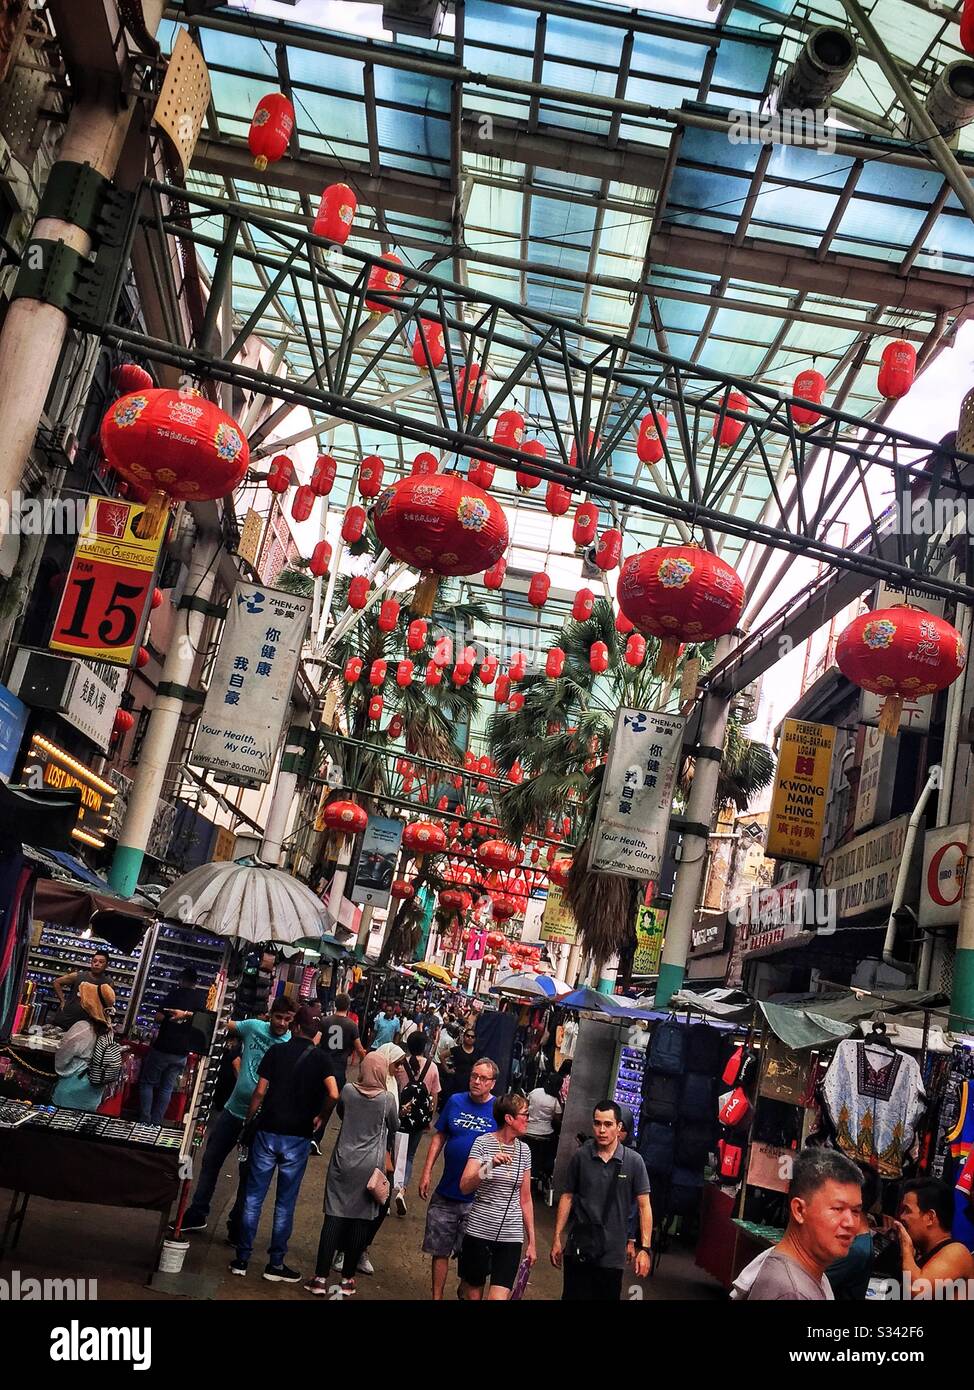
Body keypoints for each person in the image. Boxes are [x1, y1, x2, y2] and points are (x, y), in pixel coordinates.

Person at [230, 1006, 338, 1281]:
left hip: (268, 1130)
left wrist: (249, 1120)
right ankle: (275, 1264)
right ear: (316, 1032)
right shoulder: (323, 1060)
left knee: (254, 1197)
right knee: (284, 1203)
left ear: (295, 1027)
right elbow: (334, 1093)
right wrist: (321, 1117)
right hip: (298, 1136)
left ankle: (242, 1259)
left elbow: (260, 1091)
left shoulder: (276, 1052)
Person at [181, 995, 295, 1235]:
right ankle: (197, 1212)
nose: (282, 1023)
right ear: (270, 1015)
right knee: (211, 1160)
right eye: (279, 1017)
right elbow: (223, 1024)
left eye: (287, 1019)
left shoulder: (289, 1046)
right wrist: (189, 1016)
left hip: (259, 1122)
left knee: (249, 1176)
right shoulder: (254, 1027)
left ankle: (236, 1225)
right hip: (233, 1111)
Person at [305, 1053, 399, 1297]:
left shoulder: (347, 1090)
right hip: (370, 1167)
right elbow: (395, 1125)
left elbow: (343, 1114)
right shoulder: (387, 1100)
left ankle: (319, 1278)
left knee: (334, 1217)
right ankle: (347, 1280)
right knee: (361, 1220)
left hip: (342, 1162)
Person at [551, 1101, 652, 1301]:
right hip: (579, 1247)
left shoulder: (634, 1162)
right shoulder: (581, 1156)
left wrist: (645, 1248)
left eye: (608, 1124)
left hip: (612, 1255)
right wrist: (556, 1237)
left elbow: (644, 1206)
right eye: (597, 1124)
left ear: (619, 1127)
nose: (602, 1130)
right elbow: (567, 1196)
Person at [731, 1148, 863, 1301]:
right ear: (799, 1210)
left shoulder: (808, 1274)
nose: (851, 1223)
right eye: (838, 1208)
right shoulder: (792, 1292)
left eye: (855, 1211)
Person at [419, 1057, 499, 1299]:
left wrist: (481, 1175)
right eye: (474, 1076)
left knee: (472, 1257)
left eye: (483, 1078)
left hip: (478, 1200)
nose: (476, 1081)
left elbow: (502, 1153)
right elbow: (439, 1137)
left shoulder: (498, 1109)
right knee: (439, 1250)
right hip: (446, 1192)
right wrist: (426, 1171)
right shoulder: (455, 1101)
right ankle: (437, 1296)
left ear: (492, 1083)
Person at [458, 1093, 536, 1300]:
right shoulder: (482, 1143)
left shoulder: (525, 1151)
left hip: (510, 1235)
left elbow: (526, 1199)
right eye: (525, 1115)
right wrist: (489, 1166)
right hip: (479, 1231)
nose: (528, 1119)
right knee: (473, 1294)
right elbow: (465, 1186)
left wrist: (532, 1242)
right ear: (509, 1119)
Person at [139, 966, 206, 1126]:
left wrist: (168, 1018)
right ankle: (156, 1123)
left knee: (147, 1083)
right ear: (196, 982)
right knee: (167, 1088)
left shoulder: (174, 994)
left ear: (181, 980)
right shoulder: (200, 998)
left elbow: (158, 1017)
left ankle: (144, 1121)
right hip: (182, 1052)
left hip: (163, 1047)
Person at [894, 1177, 974, 1298]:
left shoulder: (957, 1252)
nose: (902, 1217)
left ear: (930, 1217)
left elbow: (917, 1291)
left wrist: (906, 1247)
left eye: (907, 1210)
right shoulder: (923, 1252)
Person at [312, 992, 367, 1153]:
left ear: (335, 1004)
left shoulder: (325, 1021)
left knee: (315, 1100)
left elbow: (315, 1041)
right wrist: (365, 1064)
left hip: (321, 1067)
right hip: (337, 1070)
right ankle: (316, 1138)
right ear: (348, 1006)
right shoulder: (351, 1025)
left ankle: (307, 1132)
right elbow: (359, 1048)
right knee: (327, 1106)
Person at [394, 1030, 441, 1216]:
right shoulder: (432, 1067)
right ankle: (401, 1190)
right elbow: (434, 1096)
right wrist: (428, 1118)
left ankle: (388, 1191)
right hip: (419, 1119)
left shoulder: (399, 1064)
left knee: (394, 1154)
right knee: (410, 1156)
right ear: (425, 1047)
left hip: (399, 1115)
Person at [52, 983, 116, 1111]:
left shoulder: (83, 1028)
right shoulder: (109, 1030)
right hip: (93, 1094)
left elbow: (63, 1056)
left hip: (71, 1089)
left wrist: (63, 1071)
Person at [524, 1072, 563, 1196]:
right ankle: (542, 1173)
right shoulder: (555, 1100)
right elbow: (557, 1119)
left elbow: (525, 1105)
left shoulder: (535, 1092)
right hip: (545, 1135)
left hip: (528, 1131)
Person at [52, 950, 111, 1029]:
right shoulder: (78, 976)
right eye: (94, 961)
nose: (97, 964)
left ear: (106, 965)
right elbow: (57, 982)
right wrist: (62, 1001)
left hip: (88, 1023)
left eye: (101, 962)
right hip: (67, 1019)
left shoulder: (108, 983)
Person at [441, 1023, 477, 1104]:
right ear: (464, 1037)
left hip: (469, 1083)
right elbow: (442, 1056)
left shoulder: (477, 1052)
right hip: (456, 1081)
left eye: (472, 1037)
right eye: (468, 1036)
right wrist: (447, 1069)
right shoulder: (457, 1049)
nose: (470, 1038)